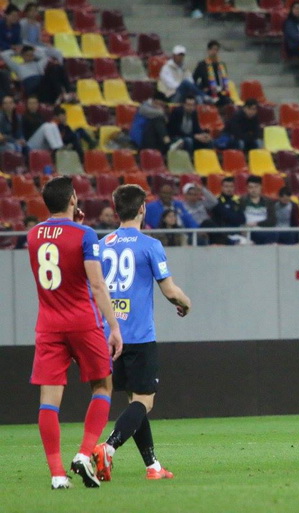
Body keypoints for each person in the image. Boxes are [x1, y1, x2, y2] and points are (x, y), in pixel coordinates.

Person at [26, 176, 123, 489]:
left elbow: (57, 243)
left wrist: (71, 225)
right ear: (72, 200)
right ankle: (83, 454)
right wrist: (114, 326)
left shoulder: (32, 235)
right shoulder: (86, 233)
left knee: (49, 401)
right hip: (83, 321)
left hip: (48, 324)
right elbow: (96, 284)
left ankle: (56, 474)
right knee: (103, 386)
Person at [91, 184, 190, 483]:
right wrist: (186, 303)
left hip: (110, 334)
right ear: (143, 208)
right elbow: (169, 290)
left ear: (117, 209)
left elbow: (93, 289)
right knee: (145, 402)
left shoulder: (101, 244)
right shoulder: (149, 245)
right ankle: (108, 448)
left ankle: (153, 466)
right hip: (139, 335)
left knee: (134, 400)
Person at [193, 40, 231, 107]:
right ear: (208, 50)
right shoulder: (202, 65)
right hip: (208, 93)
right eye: (213, 49)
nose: (214, 52)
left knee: (229, 102)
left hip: (220, 92)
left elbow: (225, 80)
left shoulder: (222, 65)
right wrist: (202, 89)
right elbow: (194, 80)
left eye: (216, 50)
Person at [242, 175, 277, 245]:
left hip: (264, 229)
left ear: (261, 187)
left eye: (256, 187)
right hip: (249, 230)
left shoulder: (268, 202)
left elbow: (273, 220)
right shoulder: (242, 201)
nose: (253, 190)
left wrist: (256, 223)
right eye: (250, 187)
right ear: (247, 188)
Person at [211, 176, 245, 245]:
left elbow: (242, 219)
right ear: (222, 187)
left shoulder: (239, 200)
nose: (229, 189)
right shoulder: (216, 201)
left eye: (231, 187)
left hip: (237, 233)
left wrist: (229, 216)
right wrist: (232, 216)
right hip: (222, 233)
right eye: (226, 186)